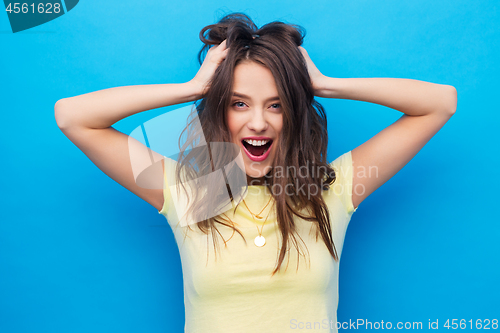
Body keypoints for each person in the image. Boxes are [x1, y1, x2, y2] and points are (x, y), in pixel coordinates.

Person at [54, 12, 457, 333]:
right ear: (220, 112)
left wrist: (322, 84)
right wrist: (193, 89)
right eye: (239, 104)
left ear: (294, 114)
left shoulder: (333, 190)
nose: (259, 123)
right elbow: (73, 117)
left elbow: (440, 103)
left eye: (277, 104)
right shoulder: (184, 191)